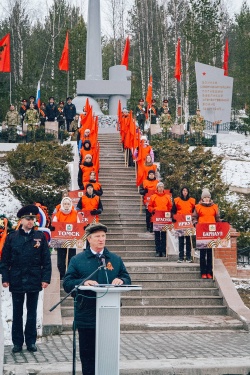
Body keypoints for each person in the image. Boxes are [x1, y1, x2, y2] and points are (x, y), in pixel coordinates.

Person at [63, 222, 131, 375]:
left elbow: (126, 278)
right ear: (89, 239)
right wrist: (83, 282)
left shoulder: (114, 259)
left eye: (103, 236)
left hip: (109, 315)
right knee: (88, 355)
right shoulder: (78, 260)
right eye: (97, 236)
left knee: (107, 352)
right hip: (86, 314)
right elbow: (67, 283)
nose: (101, 239)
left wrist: (122, 281)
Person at [0, 204, 51, 353]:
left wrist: (45, 278)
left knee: (32, 313)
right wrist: (5, 278)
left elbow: (46, 260)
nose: (30, 221)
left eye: (33, 219)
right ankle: (17, 342)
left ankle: (31, 342)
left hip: (34, 278)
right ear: (21, 220)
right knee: (17, 313)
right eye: (28, 219)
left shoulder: (39, 237)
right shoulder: (12, 237)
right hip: (17, 278)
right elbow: (5, 260)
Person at [192, 188, 221, 279]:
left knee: (210, 253)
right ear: (202, 198)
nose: (207, 199)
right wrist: (195, 223)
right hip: (202, 232)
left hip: (211, 232)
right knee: (203, 253)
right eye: (205, 197)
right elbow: (194, 217)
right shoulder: (198, 207)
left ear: (210, 198)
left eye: (208, 197)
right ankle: (203, 271)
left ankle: (209, 271)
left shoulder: (215, 207)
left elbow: (217, 218)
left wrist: (221, 223)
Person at [52, 197, 80, 279]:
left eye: (68, 204)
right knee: (61, 260)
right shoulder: (58, 214)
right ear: (62, 204)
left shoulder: (75, 214)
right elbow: (54, 225)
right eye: (65, 204)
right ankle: (62, 275)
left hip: (72, 240)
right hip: (61, 239)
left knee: (71, 259)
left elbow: (78, 225)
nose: (66, 205)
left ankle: (70, 275)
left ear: (70, 204)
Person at [148, 182, 173, 257]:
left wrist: (168, 213)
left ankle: (163, 251)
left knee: (164, 235)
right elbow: (149, 206)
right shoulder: (153, 196)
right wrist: (153, 210)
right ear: (157, 188)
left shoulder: (167, 196)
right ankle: (158, 251)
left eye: (162, 187)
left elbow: (170, 206)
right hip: (156, 218)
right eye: (159, 187)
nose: (161, 188)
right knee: (157, 236)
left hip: (164, 219)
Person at [172, 187, 196, 262]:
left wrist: (193, 219)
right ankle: (181, 257)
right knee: (181, 240)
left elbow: (194, 211)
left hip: (188, 222)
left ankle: (188, 256)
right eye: (183, 190)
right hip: (180, 222)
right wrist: (173, 217)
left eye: (186, 190)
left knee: (188, 240)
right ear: (181, 192)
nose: (185, 192)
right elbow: (173, 211)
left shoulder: (192, 201)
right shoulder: (177, 200)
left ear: (188, 192)